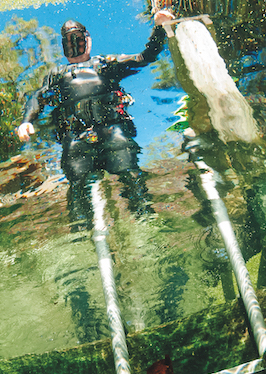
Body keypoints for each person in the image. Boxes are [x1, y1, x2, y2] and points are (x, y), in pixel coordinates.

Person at [16, 12, 174, 227]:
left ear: (87, 40)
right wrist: (27, 120)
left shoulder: (105, 64)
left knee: (132, 179)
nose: (75, 44)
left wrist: (159, 28)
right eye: (70, 41)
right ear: (64, 47)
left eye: (78, 39)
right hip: (76, 140)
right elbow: (38, 96)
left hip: (113, 133)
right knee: (79, 188)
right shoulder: (57, 74)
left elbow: (145, 57)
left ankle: (147, 222)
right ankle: (81, 236)